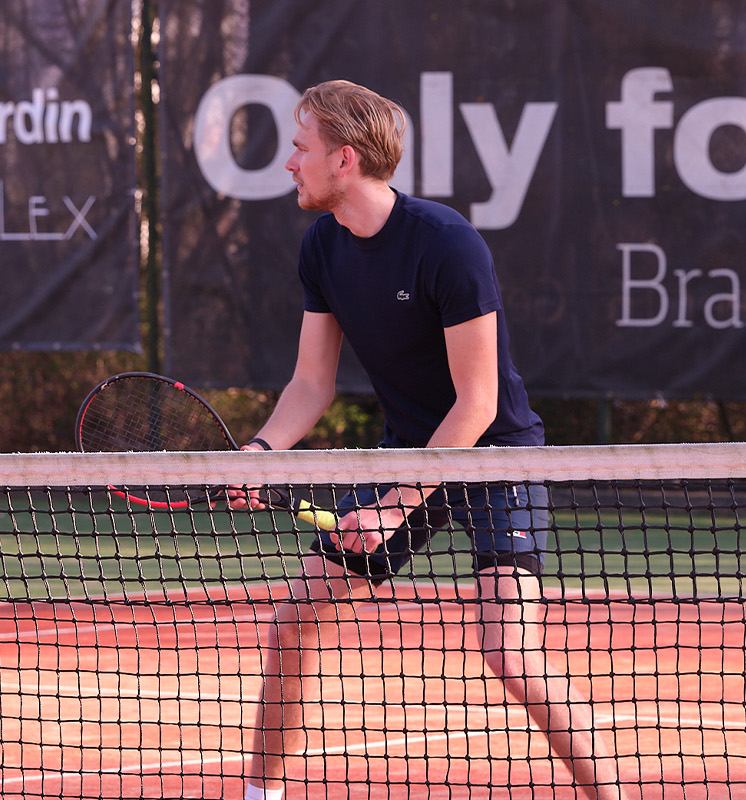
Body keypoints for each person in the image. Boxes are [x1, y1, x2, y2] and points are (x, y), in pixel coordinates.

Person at [230, 79, 629, 800]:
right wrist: (261, 451)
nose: (290, 163)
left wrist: (393, 505)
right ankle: (263, 796)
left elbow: (476, 405)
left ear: (343, 160)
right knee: (292, 624)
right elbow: (311, 384)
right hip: (409, 451)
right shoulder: (322, 246)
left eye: (300, 149)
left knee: (510, 654)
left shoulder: (447, 244)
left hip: (495, 455)